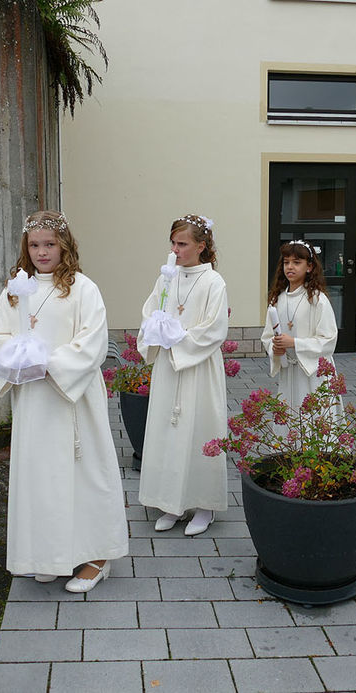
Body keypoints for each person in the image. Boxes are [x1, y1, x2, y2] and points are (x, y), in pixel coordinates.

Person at [0, 211, 128, 592]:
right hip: (33, 401)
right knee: (42, 478)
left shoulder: (82, 288)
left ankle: (97, 557)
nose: (42, 251)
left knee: (83, 474)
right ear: (25, 249)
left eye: (49, 244)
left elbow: (92, 343)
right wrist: (15, 357)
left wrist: (48, 363)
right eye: (34, 245)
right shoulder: (15, 289)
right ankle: (50, 554)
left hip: (71, 398)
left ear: (64, 245)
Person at [138, 214, 228, 536]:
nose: (175, 250)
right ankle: (170, 503)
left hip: (198, 368)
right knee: (168, 433)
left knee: (200, 430)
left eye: (183, 244)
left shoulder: (213, 282)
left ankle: (204, 506)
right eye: (173, 243)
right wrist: (154, 328)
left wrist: (178, 337)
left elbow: (215, 329)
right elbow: (150, 311)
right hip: (168, 366)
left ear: (201, 246)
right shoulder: (166, 277)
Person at [260, 240, 338, 411]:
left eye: (297, 262)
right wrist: (275, 348)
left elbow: (329, 339)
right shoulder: (277, 299)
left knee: (313, 417)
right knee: (291, 417)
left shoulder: (317, 299)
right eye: (286, 262)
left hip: (313, 372)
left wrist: (294, 343)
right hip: (289, 370)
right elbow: (267, 336)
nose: (290, 267)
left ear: (309, 267)